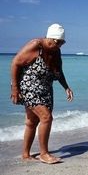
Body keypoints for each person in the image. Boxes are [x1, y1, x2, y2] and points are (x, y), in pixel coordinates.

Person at [11, 24, 73, 164]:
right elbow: (15, 63)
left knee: (32, 122)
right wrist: (15, 88)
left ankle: (25, 154)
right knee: (46, 117)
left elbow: (58, 71)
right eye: (57, 42)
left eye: (62, 43)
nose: (59, 46)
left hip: (45, 88)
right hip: (28, 86)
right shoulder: (35, 45)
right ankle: (44, 154)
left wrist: (66, 87)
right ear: (49, 38)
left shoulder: (56, 50)